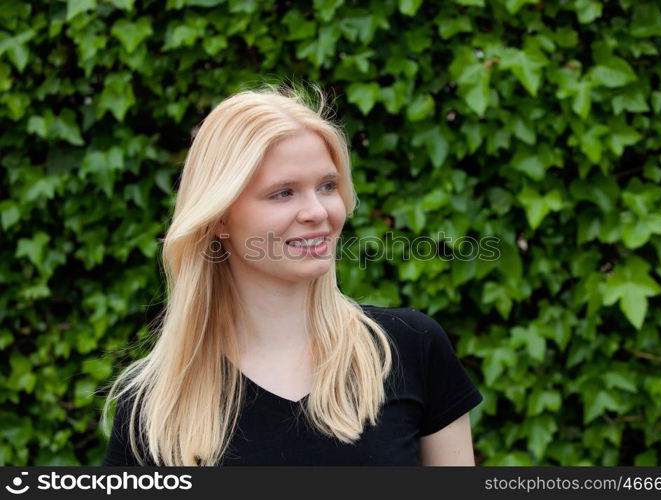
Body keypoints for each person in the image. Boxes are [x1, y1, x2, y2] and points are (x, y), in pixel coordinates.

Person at [101, 83, 483, 466]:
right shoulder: (156, 405)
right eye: (284, 193)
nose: (317, 211)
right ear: (218, 218)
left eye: (327, 186)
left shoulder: (408, 349)